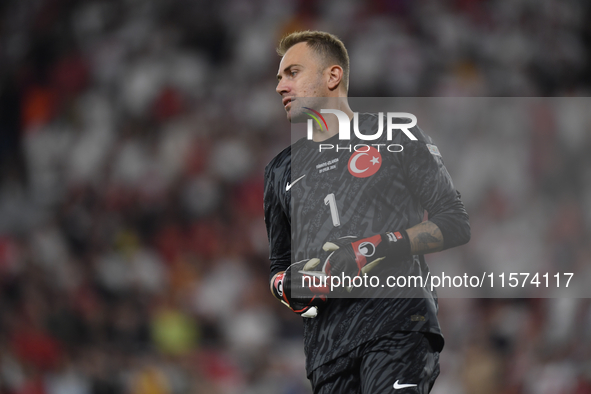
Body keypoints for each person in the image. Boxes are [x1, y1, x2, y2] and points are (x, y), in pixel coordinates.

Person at [264, 30, 470, 393]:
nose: (281, 86)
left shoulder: (396, 135)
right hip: (328, 348)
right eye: (279, 77)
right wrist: (289, 287)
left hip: (397, 322)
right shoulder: (280, 169)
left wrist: (370, 247)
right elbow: (279, 264)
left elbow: (454, 222)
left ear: (332, 76)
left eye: (292, 73)